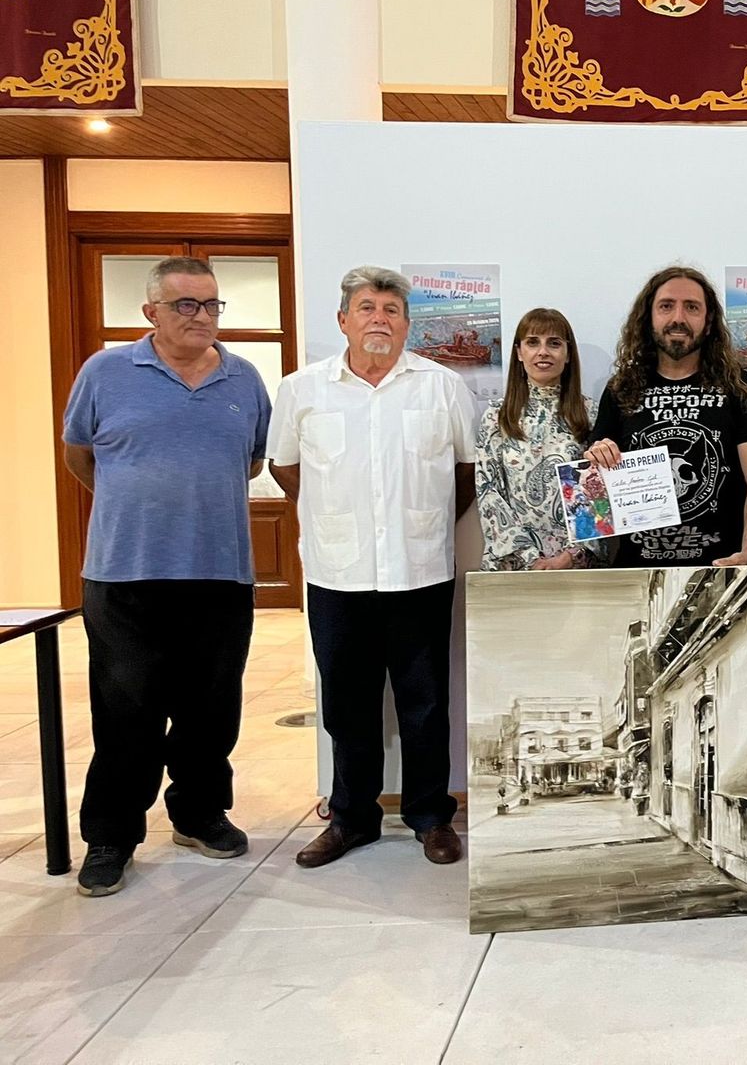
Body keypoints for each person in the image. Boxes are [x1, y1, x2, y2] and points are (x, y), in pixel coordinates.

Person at [61, 256, 271, 898]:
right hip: (125, 576)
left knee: (213, 707)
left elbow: (253, 460)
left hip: (220, 572)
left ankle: (200, 814)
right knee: (126, 710)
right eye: (186, 305)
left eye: (211, 305)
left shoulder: (245, 378)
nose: (201, 317)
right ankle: (111, 837)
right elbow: (79, 454)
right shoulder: (105, 372)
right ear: (151, 311)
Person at [266, 266, 477, 869]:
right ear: (343, 320)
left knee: (426, 702)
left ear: (407, 324)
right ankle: (352, 818)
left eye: (390, 309)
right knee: (346, 706)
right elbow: (285, 468)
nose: (379, 319)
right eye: (366, 308)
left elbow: (465, 473)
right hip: (338, 576)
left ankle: (431, 817)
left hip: (419, 572)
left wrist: (426, 521)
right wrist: (333, 516)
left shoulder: (442, 387)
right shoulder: (303, 391)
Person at [585, 263, 747, 566]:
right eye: (666, 306)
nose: (678, 318)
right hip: (637, 569)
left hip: (719, 568)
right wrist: (598, 456)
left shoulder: (740, 387)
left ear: (708, 321)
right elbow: (595, 484)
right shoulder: (621, 388)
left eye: (691, 307)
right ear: (648, 318)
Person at [476, 307, 597, 570]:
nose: (543, 351)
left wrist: (570, 557)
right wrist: (529, 558)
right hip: (512, 564)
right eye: (533, 342)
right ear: (519, 352)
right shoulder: (496, 417)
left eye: (554, 343)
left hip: (577, 566)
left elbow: (596, 491)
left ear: (567, 354)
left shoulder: (591, 414)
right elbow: (488, 492)